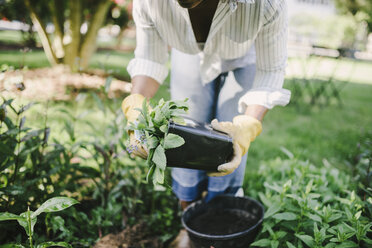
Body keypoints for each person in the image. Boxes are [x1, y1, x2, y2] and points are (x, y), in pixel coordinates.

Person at [121, 0, 290, 246]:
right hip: (189, 51)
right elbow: (150, 58)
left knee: (225, 145)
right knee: (186, 132)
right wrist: (136, 106)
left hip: (245, 53)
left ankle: (216, 227)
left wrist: (247, 126)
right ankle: (189, 227)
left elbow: (271, 72)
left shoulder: (266, 4)